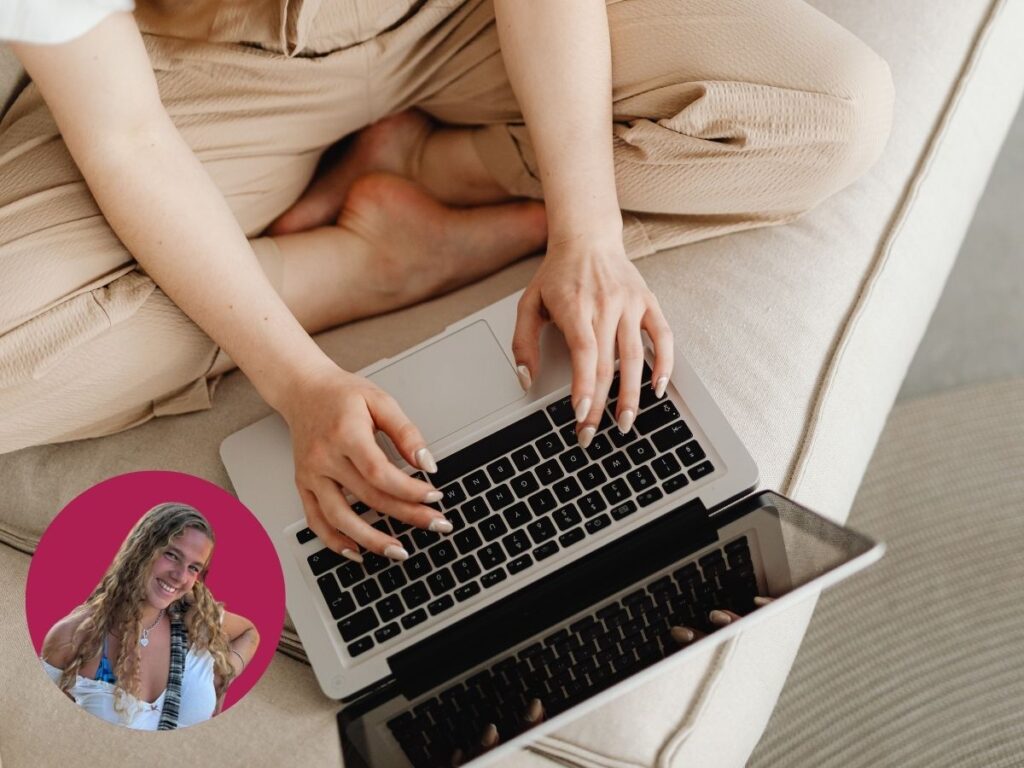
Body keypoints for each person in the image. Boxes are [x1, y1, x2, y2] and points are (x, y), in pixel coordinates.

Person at [0, 1, 893, 563]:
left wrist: (588, 234)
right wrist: (299, 379)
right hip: (203, 66)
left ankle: (440, 165)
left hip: (458, 18)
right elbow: (127, 137)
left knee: (829, 113)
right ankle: (358, 268)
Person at [39, 502, 259, 730]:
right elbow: (45, 724)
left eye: (194, 568)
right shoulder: (75, 636)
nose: (180, 576)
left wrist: (224, 675)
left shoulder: (195, 621)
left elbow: (249, 634)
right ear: (141, 549)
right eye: (172, 555)